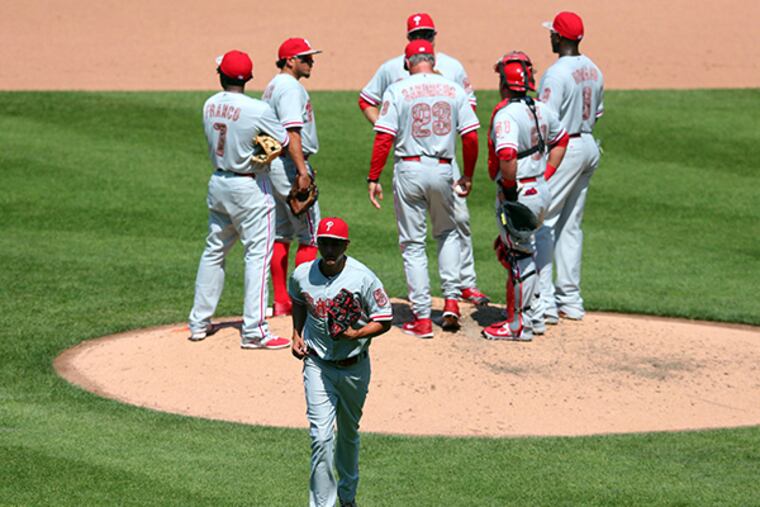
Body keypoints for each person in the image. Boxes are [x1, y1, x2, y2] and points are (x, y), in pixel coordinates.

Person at [358, 12, 490, 308]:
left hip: (441, 159)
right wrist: (390, 130)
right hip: (425, 160)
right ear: (409, 38)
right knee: (445, 232)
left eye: (427, 33)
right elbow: (366, 100)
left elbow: (466, 116)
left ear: (434, 35)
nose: (423, 38)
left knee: (456, 224)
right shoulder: (392, 68)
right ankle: (452, 297)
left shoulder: (452, 67)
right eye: (418, 34)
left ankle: (462, 286)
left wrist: (388, 138)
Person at [188, 50, 291, 350]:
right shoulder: (257, 109)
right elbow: (283, 142)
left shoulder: (209, 105)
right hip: (250, 187)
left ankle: (198, 322)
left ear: (221, 75)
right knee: (257, 255)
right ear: (249, 78)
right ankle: (255, 331)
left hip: (218, 182)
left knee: (214, 251)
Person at [289, 217, 393, 507]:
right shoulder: (302, 273)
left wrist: (356, 333)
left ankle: (348, 498)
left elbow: (385, 319)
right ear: (318, 243)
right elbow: (298, 300)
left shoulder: (363, 278)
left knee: (348, 434)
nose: (329, 249)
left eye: (335, 243)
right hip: (317, 364)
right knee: (321, 437)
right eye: (324, 242)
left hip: (354, 367)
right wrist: (296, 333)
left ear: (345, 245)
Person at [481, 51, 568, 341]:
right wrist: (546, 175)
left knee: (519, 257)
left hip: (519, 191)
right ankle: (531, 318)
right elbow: (561, 139)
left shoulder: (507, 114)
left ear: (505, 82)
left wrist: (509, 190)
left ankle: (518, 324)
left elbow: (506, 154)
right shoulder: (540, 108)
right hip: (539, 189)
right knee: (519, 251)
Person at [535, 11, 605, 325]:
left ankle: (545, 303)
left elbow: (545, 121)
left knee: (543, 222)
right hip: (588, 144)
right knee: (571, 225)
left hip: (565, 148)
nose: (549, 36)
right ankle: (571, 301)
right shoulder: (593, 69)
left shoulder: (556, 74)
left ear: (561, 37)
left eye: (553, 33)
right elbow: (598, 112)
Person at [262, 37, 322, 318]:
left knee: (281, 234)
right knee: (310, 236)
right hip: (289, 165)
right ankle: (302, 304)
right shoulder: (289, 88)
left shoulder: (274, 85)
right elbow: (292, 133)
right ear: (290, 60)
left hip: (274, 165)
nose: (311, 62)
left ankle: (282, 302)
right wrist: (301, 171)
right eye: (305, 58)